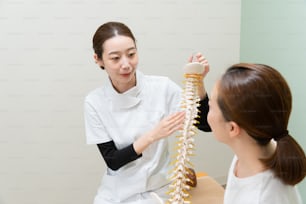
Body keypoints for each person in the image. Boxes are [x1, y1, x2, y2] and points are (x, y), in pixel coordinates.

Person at [84, 21, 211, 204]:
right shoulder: (94, 102)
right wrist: (152, 136)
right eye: (115, 58)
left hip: (161, 188)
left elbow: (206, 124)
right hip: (118, 191)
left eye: (131, 54)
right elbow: (113, 160)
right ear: (98, 59)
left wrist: (197, 83)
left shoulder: (161, 87)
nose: (126, 64)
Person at [207, 63, 306, 204]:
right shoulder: (254, 148)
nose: (207, 113)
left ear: (232, 129)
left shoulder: (262, 197)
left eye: (210, 107)